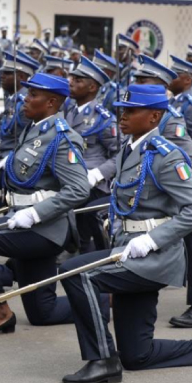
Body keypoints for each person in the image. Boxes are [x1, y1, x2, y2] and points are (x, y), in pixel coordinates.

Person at [59, 84, 192, 383]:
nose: (122, 117)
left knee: (76, 273)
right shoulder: (130, 149)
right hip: (129, 250)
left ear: (154, 117)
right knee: (137, 355)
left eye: (131, 111)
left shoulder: (165, 156)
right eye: (121, 111)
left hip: (154, 257)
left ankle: (102, 360)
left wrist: (152, 239)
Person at [0, 73, 98, 336]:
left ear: (51, 102)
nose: (25, 100)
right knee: (42, 313)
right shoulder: (34, 128)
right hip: (23, 219)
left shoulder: (62, 138)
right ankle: (105, 303)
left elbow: (79, 189)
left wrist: (35, 213)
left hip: (44, 228)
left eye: (33, 96)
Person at [67, 56, 118, 253]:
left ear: (92, 88)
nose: (71, 83)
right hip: (72, 178)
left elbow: (119, 155)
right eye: (72, 79)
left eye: (78, 81)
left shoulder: (102, 118)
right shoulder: (70, 112)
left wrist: (97, 174)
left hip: (93, 184)